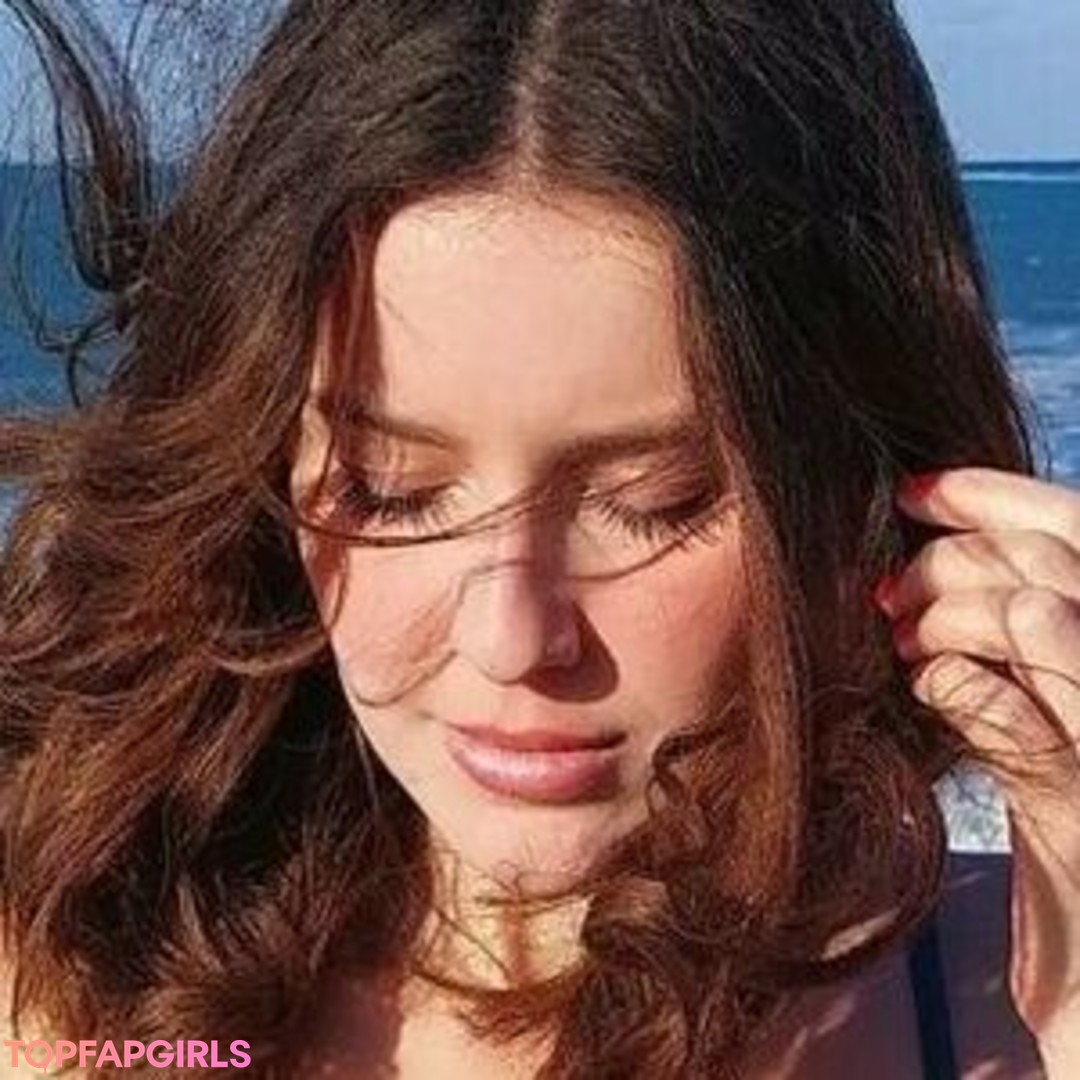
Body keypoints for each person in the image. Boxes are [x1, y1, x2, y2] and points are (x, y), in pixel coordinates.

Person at [0, 0, 1078, 1076]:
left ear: (869, 488)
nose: (512, 637)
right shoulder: (80, 970)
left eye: (656, 499)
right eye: (391, 492)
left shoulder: (1018, 1009)